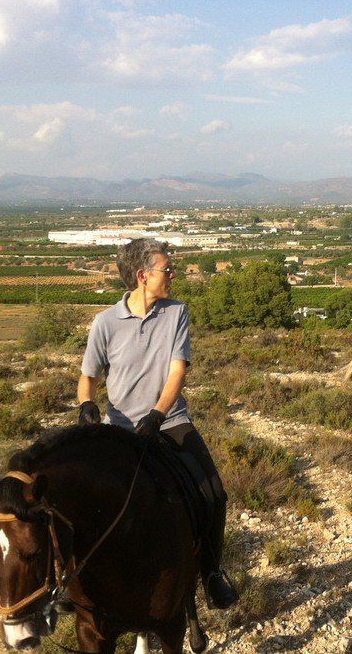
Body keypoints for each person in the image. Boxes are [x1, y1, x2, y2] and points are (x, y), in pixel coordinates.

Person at [77, 237, 239, 610]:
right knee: (88, 503)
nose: (173, 274)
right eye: (167, 269)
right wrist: (87, 406)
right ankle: (81, 586)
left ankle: (212, 574)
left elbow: (177, 370)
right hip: (118, 427)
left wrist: (157, 414)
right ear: (141, 276)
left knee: (213, 492)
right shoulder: (105, 323)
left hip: (169, 420)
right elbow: (88, 377)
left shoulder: (177, 312)